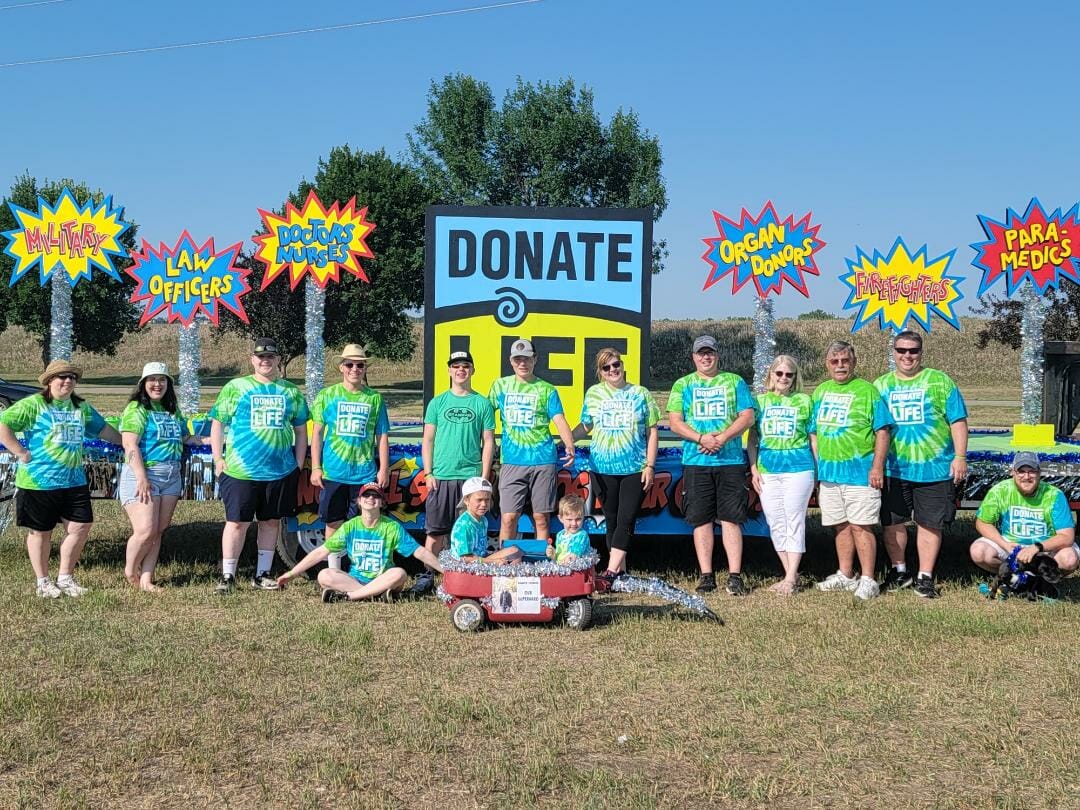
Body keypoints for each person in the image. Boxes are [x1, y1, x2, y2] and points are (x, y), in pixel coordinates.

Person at [0, 359, 122, 597]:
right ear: (49, 381)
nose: (67, 381)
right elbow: (4, 423)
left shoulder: (80, 407)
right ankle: (43, 582)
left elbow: (102, 429)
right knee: (40, 531)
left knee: (81, 526)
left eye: (72, 378)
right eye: (61, 377)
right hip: (38, 480)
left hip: (73, 480)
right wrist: (19, 451)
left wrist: (128, 444)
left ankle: (65, 578)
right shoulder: (34, 404)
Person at [874, 330, 969, 598]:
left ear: (921, 352)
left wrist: (960, 456)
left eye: (913, 350)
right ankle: (899, 571)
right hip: (894, 467)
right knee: (893, 523)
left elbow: (958, 421)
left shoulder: (940, 382)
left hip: (935, 467)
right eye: (901, 350)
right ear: (893, 353)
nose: (907, 355)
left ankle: (924, 577)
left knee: (930, 523)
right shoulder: (880, 386)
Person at [209, 338, 309, 592]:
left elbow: (300, 429)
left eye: (271, 357)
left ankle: (262, 574)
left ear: (278, 360)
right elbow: (218, 423)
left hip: (279, 470)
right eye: (261, 357)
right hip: (241, 470)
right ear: (253, 360)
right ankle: (228, 576)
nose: (266, 361)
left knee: (271, 522)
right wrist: (219, 459)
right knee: (236, 522)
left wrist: (297, 462)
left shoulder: (290, 391)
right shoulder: (236, 387)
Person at [667, 335, 755, 596]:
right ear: (693, 357)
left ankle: (735, 575)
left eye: (710, 353)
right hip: (696, 461)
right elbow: (674, 421)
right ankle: (706, 575)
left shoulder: (734, 381)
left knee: (731, 518)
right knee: (701, 520)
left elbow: (747, 416)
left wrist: (723, 437)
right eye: (701, 353)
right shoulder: (683, 385)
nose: (706, 357)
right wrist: (700, 438)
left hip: (729, 460)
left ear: (717, 355)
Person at [813, 341, 894, 600]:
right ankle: (846, 575)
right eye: (834, 361)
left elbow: (882, 431)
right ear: (827, 364)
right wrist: (818, 466)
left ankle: (869, 578)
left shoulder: (868, 391)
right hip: (830, 474)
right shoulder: (820, 392)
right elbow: (813, 433)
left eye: (845, 361)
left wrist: (877, 466)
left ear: (854, 362)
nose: (840, 366)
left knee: (862, 526)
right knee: (840, 526)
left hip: (860, 473)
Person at [119, 362, 206, 592]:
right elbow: (129, 444)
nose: (157, 384)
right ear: (143, 384)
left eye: (162, 380)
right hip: (145, 474)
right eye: (152, 380)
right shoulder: (137, 409)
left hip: (171, 475)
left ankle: (147, 579)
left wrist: (208, 441)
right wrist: (141, 477)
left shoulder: (171, 410)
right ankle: (130, 569)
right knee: (145, 530)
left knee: (158, 530)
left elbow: (184, 438)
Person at [276, 482, 444, 601]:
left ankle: (350, 597)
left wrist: (446, 571)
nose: (370, 498)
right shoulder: (350, 526)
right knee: (324, 575)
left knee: (399, 574)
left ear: (381, 503)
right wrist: (290, 575)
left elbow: (419, 552)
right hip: (355, 580)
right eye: (366, 495)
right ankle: (373, 594)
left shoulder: (391, 527)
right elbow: (320, 552)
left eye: (375, 496)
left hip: (383, 578)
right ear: (359, 501)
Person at [574, 347, 659, 581]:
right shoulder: (593, 394)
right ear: (600, 372)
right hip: (602, 468)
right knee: (611, 520)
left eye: (616, 365)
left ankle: (610, 572)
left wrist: (650, 465)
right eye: (606, 367)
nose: (613, 370)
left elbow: (652, 432)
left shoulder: (640, 394)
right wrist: (567, 441)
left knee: (626, 519)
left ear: (622, 366)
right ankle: (620, 571)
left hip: (634, 468)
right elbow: (586, 425)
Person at [417, 349, 496, 591]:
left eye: (465, 366)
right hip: (441, 476)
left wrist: (483, 477)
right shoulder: (437, 403)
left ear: (472, 370)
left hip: (470, 479)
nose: (460, 370)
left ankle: (466, 575)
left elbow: (489, 442)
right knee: (435, 531)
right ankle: (428, 575)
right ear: (449, 370)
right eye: (456, 366)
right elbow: (428, 439)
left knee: (467, 530)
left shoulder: (482, 403)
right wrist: (429, 473)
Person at [488, 338, 575, 545]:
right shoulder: (500, 386)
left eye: (527, 358)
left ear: (535, 360)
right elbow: (485, 418)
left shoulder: (547, 389)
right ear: (511, 361)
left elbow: (559, 420)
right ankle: (504, 564)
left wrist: (570, 444)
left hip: (543, 460)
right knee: (509, 518)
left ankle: (541, 566)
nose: (522, 363)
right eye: (518, 359)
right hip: (511, 461)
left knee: (541, 518)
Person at [310, 344, 389, 570]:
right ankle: (333, 570)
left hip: (364, 473)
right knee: (333, 522)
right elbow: (316, 433)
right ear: (342, 368)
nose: (355, 368)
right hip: (334, 471)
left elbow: (382, 436)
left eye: (360, 365)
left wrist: (383, 468)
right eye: (350, 364)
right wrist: (316, 467)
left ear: (365, 369)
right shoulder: (327, 395)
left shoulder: (374, 398)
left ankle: (360, 570)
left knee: (364, 523)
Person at [747, 355, 817, 595]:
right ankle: (791, 574)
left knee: (794, 519)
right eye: (779, 374)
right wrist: (754, 468)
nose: (784, 378)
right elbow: (753, 439)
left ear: (795, 377)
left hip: (799, 468)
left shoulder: (805, 401)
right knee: (775, 521)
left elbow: (812, 437)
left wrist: (817, 471)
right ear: (771, 376)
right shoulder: (759, 402)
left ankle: (789, 577)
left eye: (789, 374)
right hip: (768, 469)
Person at [971, 452, 1078, 577]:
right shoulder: (1000, 491)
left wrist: (1036, 547)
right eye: (1021, 471)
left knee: (1069, 559)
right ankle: (1011, 576)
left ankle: (1039, 580)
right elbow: (982, 522)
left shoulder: (1054, 495)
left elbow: (1067, 536)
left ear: (1039, 472)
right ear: (1013, 472)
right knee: (978, 551)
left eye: (1031, 471)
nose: (1026, 476)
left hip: (1045, 548)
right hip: (1010, 544)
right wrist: (1005, 545)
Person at [448, 477, 521, 563]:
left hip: (480, 559)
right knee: (513, 553)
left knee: (515, 552)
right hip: (465, 566)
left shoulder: (483, 520)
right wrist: (494, 561)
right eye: (479, 500)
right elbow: (465, 558)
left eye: (487, 500)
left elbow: (481, 550)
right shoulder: (464, 525)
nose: (484, 504)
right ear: (466, 501)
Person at [547, 493, 592, 563]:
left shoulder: (582, 535)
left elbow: (575, 554)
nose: (574, 523)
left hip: (578, 571)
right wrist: (553, 555)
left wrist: (570, 558)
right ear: (561, 518)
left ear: (583, 517)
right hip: (563, 570)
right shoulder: (560, 535)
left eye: (578, 519)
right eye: (569, 520)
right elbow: (559, 556)